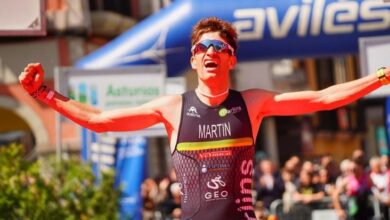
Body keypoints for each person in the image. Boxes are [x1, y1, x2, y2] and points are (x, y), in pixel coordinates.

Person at [18, 17, 389, 219]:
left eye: (219, 47)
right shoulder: (171, 107)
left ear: (231, 59)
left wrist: (381, 76)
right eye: (201, 47)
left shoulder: (253, 103)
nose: (210, 51)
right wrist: (42, 93)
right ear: (194, 60)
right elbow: (100, 120)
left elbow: (323, 98)